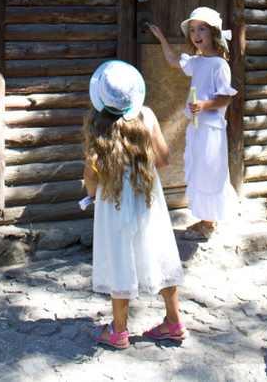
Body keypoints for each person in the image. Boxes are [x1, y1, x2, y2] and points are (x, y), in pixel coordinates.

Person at [83, 59, 187, 349]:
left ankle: (118, 331)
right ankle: (174, 322)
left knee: (119, 255)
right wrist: (140, 173)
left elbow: (91, 175)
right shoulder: (147, 115)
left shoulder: (97, 123)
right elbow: (164, 159)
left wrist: (92, 194)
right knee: (159, 249)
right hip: (147, 194)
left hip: (113, 199)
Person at [150, 7, 238, 241]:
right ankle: (208, 220)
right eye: (192, 30)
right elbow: (172, 60)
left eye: (202, 29)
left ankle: (208, 225)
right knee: (201, 170)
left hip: (211, 129)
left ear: (213, 33)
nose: (196, 34)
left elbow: (225, 98)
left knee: (210, 172)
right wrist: (161, 37)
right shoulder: (197, 62)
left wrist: (203, 104)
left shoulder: (219, 65)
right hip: (198, 127)